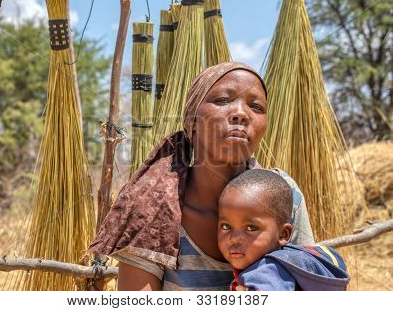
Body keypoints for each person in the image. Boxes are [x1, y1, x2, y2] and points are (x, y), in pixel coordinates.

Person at [88, 62, 315, 290]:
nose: (241, 113)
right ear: (192, 123)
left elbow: (311, 287)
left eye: (256, 107)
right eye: (222, 100)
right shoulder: (151, 206)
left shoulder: (283, 194)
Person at [218, 169, 350, 291]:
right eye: (226, 226)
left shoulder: (267, 273)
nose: (234, 237)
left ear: (283, 234)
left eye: (251, 228)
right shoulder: (294, 260)